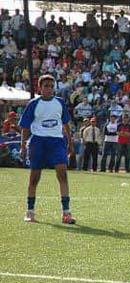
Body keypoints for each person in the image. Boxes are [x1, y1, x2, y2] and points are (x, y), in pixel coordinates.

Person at [18, 75, 76, 224]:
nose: (49, 89)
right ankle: (30, 211)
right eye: (46, 86)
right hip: (38, 142)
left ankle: (66, 213)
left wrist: (70, 142)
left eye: (51, 86)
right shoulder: (33, 104)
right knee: (34, 178)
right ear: (40, 87)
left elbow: (65, 124)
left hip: (57, 142)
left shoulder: (60, 103)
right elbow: (25, 127)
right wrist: (23, 146)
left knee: (62, 175)